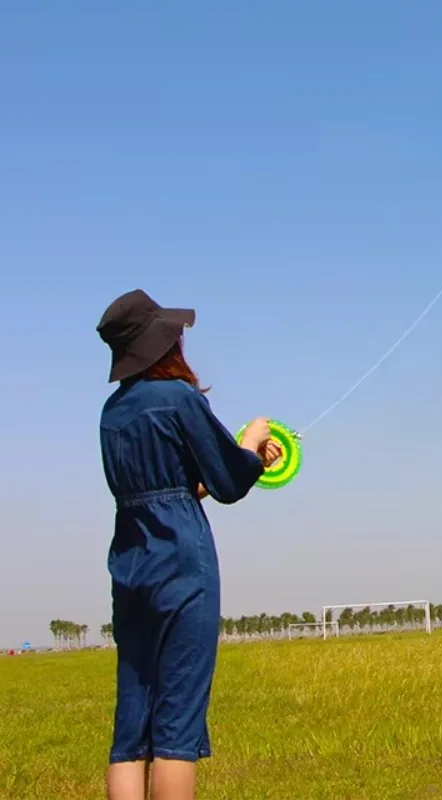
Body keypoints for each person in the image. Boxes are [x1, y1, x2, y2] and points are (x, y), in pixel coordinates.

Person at [96, 289, 281, 800]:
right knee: (176, 725)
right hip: (182, 561)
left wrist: (233, 464)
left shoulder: (112, 414)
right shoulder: (179, 399)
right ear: (163, 345)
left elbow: (165, 487)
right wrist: (251, 445)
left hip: (130, 564)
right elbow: (227, 482)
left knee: (131, 726)